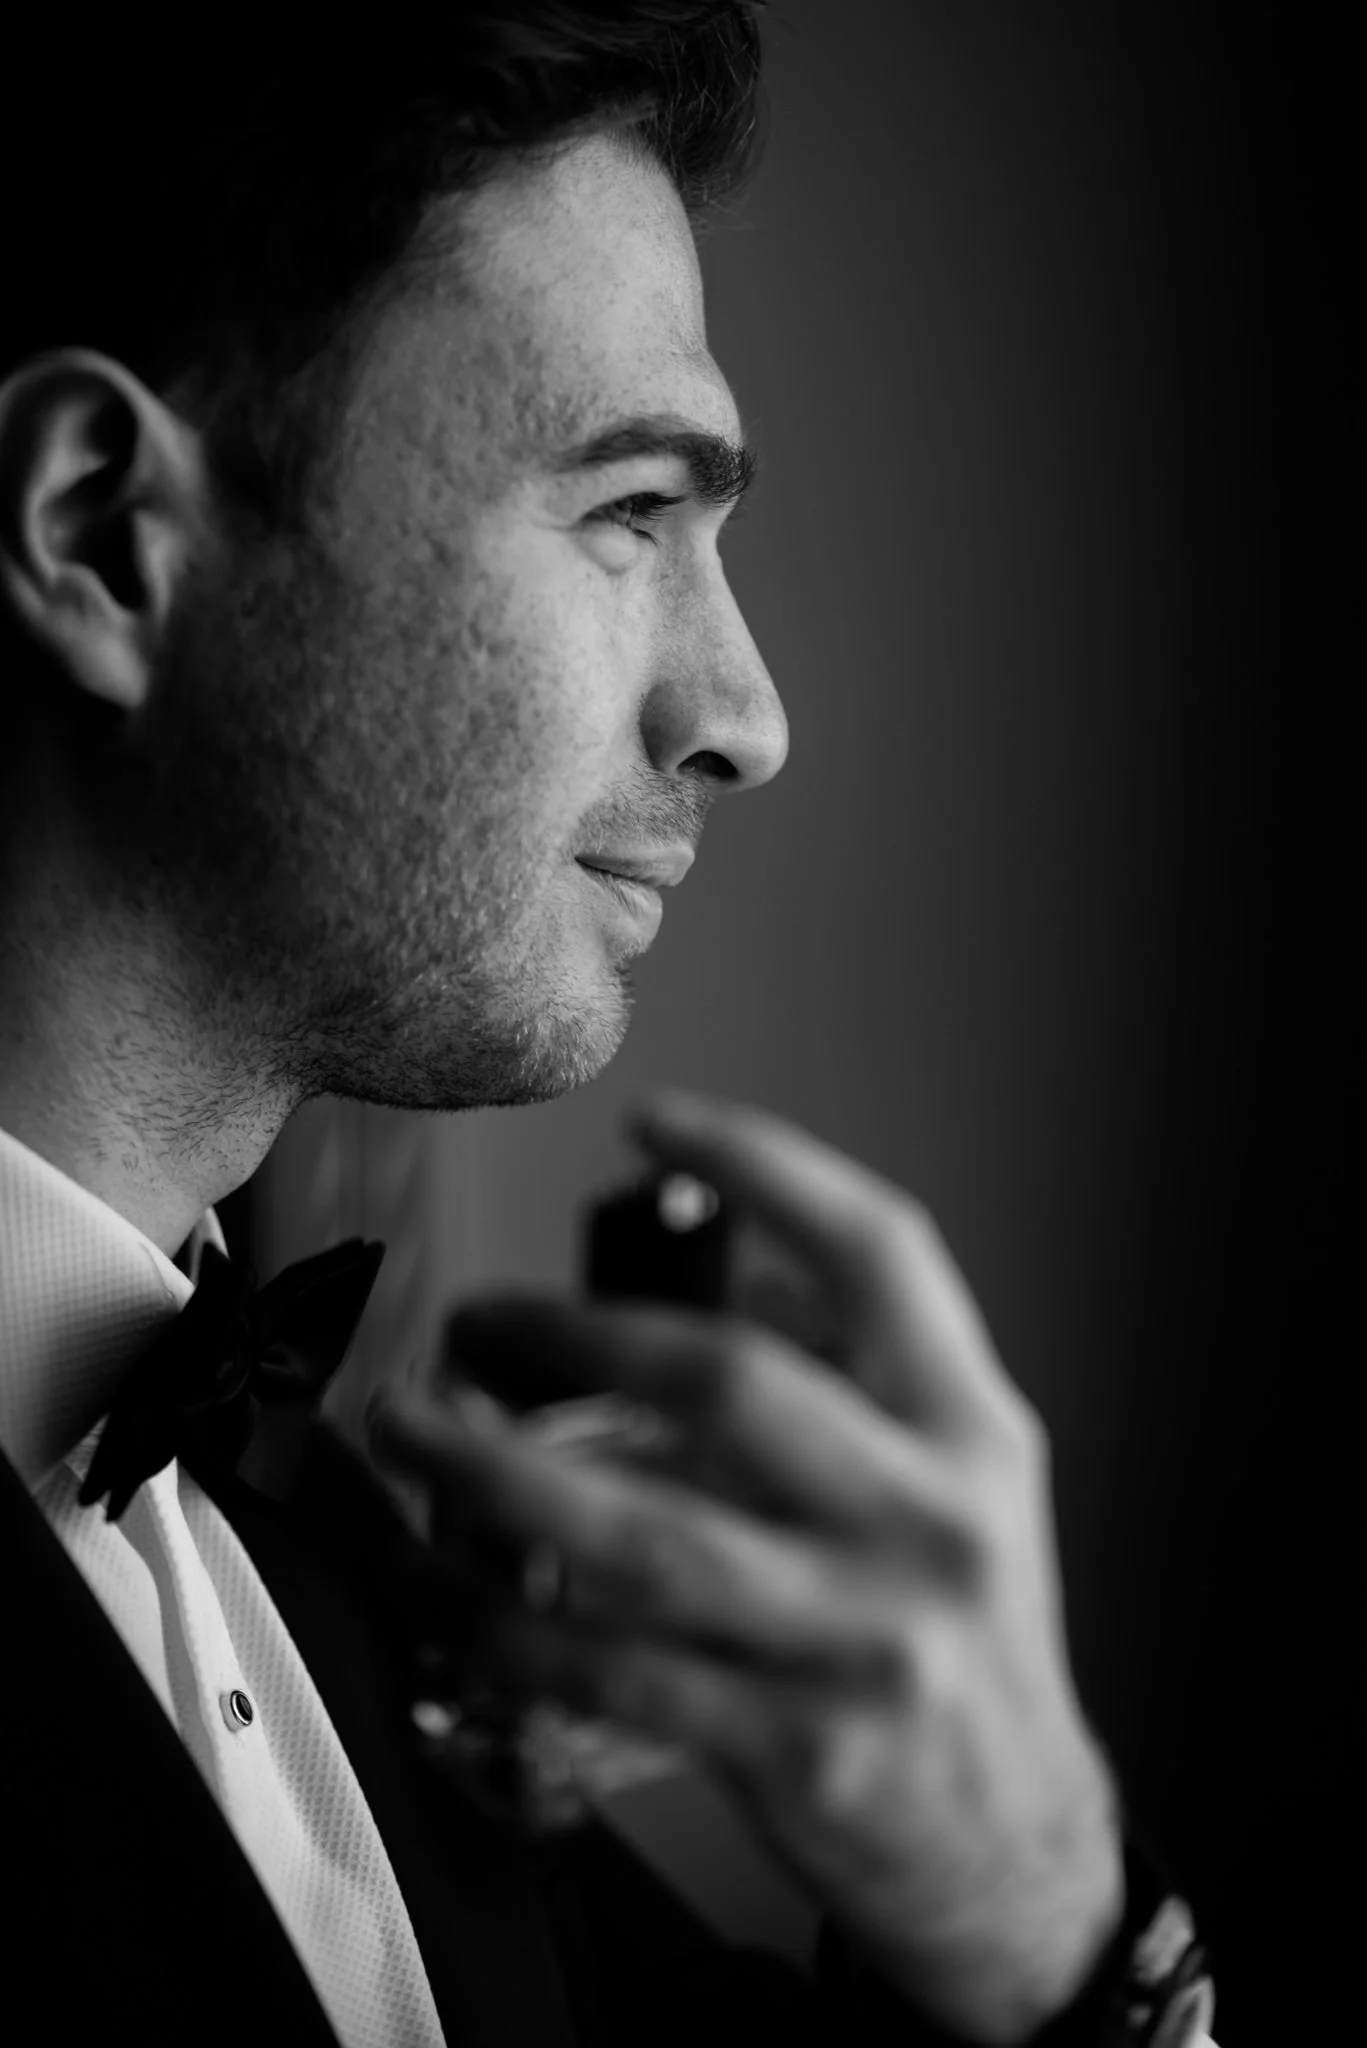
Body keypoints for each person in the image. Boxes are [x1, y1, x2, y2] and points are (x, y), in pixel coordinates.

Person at [0, 8, 1217, 2044]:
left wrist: (1035, 1927)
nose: (746, 717)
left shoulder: (362, 1570)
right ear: (103, 532)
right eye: (629, 508)